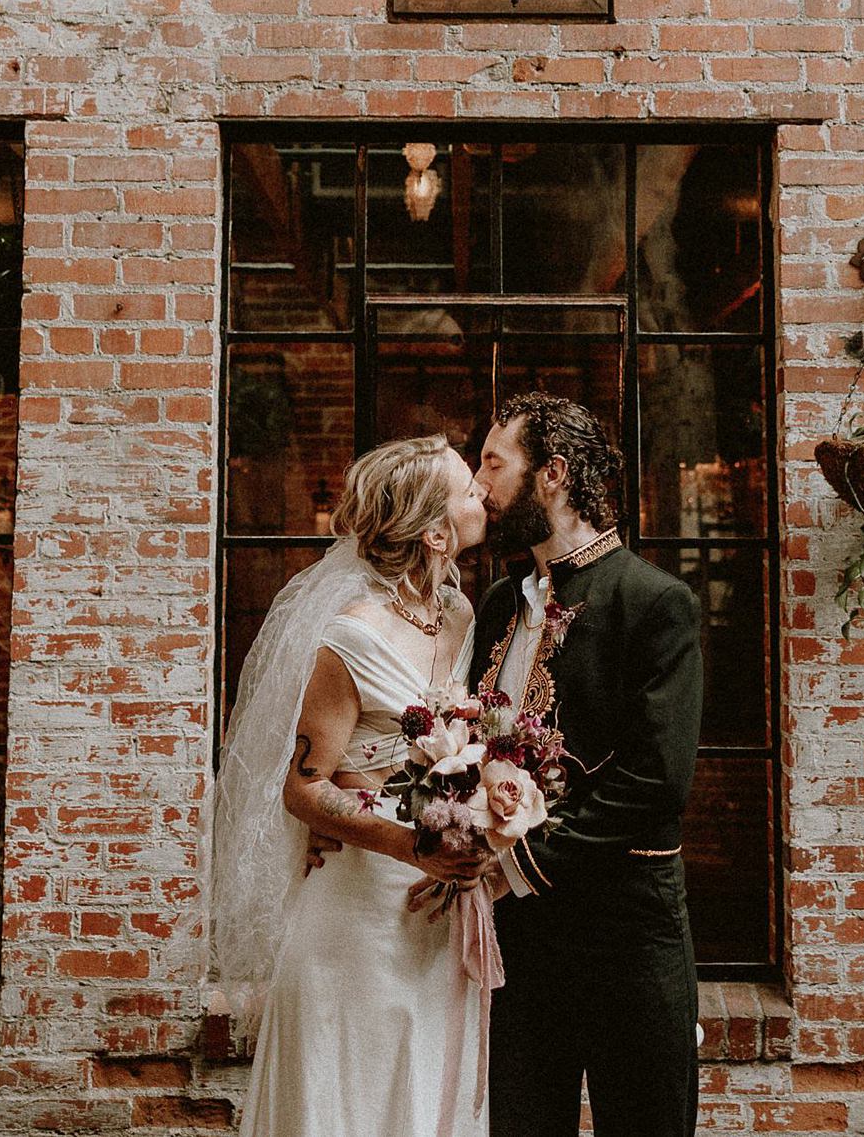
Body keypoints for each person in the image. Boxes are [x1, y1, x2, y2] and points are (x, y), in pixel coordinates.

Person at [205, 434, 495, 1137]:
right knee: (354, 1098)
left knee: (427, 1086)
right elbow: (303, 788)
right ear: (434, 532)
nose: (482, 494)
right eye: (467, 488)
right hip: (360, 906)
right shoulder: (352, 635)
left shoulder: (459, 615)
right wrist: (410, 845)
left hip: (440, 906)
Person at [455, 392, 705, 1137]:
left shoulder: (655, 602)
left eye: (494, 464)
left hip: (629, 932)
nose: (479, 485)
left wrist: (518, 863)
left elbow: (657, 781)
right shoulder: (500, 603)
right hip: (522, 949)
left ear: (553, 475)